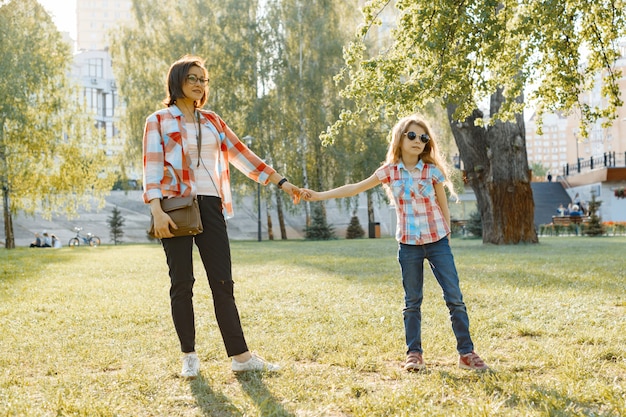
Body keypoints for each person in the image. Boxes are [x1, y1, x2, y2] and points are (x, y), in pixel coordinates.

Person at [143, 55, 301, 378]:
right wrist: (156, 210)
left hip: (211, 206)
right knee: (182, 283)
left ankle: (241, 357)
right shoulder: (158, 120)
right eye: (193, 78)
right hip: (175, 207)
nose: (200, 85)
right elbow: (152, 168)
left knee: (223, 282)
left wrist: (281, 182)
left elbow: (243, 155)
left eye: (204, 79)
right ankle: (189, 356)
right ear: (177, 82)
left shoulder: (212, 121)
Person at [301, 114, 489, 372]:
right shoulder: (389, 172)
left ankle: (466, 354)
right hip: (409, 245)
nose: (417, 141)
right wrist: (319, 196)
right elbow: (354, 188)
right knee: (412, 301)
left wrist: (446, 237)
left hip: (437, 242)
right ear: (399, 139)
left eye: (423, 138)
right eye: (411, 135)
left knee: (454, 298)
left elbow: (443, 207)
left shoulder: (431, 171)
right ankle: (414, 354)